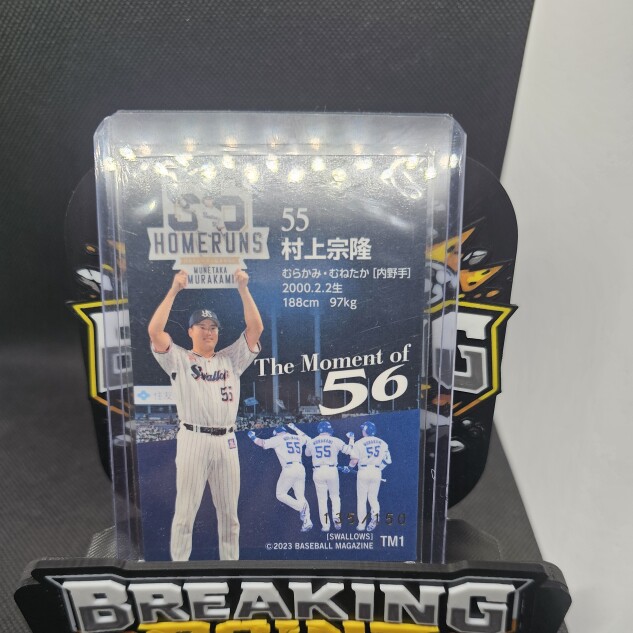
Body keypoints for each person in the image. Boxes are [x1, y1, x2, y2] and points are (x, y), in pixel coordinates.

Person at [148, 268, 263, 560]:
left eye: (213, 327)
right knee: (185, 515)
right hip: (193, 439)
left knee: (230, 517)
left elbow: (256, 329)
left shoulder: (230, 359)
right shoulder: (179, 358)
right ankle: (178, 576)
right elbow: (155, 331)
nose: (209, 331)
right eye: (202, 326)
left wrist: (243, 289)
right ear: (190, 331)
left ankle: (231, 573)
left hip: (226, 442)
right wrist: (174, 289)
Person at [289, 421, 353, 532]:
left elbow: (307, 454)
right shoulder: (335, 440)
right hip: (332, 470)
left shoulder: (312, 441)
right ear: (329, 430)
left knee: (322, 500)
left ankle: (325, 526)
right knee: (335, 497)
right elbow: (350, 450)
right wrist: (351, 439)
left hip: (318, 471)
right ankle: (336, 517)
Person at [247, 425, 313, 532]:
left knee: (280, 494)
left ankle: (301, 507)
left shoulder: (278, 438)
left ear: (276, 433)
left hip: (289, 468)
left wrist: (252, 436)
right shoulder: (297, 437)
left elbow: (261, 443)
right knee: (300, 496)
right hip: (300, 468)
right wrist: (295, 429)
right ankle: (307, 521)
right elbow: (308, 439)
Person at [348, 421, 391, 532]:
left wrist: (349, 468)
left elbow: (354, 461)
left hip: (363, 471)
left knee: (362, 500)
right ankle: (375, 515)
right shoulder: (383, 443)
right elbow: (388, 461)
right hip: (376, 471)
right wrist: (377, 469)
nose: (362, 430)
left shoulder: (359, 443)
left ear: (365, 430)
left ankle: (361, 525)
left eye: (363, 429)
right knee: (373, 498)